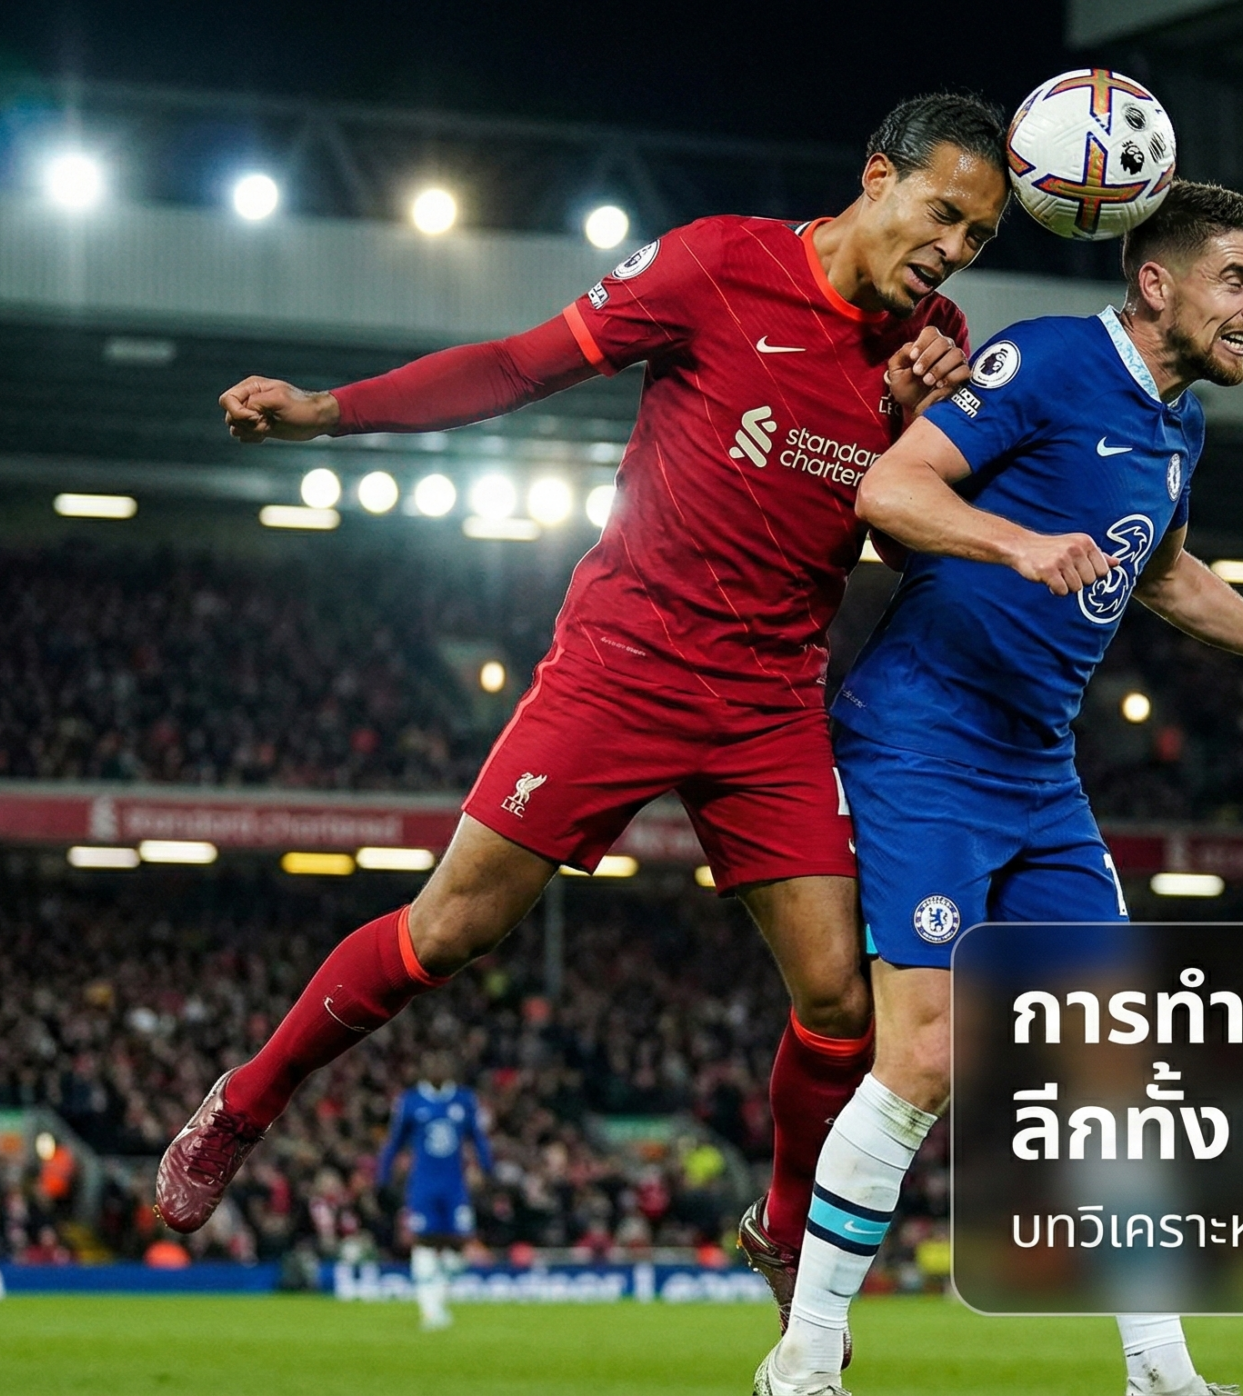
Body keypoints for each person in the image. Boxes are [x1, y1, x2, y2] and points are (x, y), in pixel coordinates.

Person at [156, 94, 1012, 1362]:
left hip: (771, 697)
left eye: (981, 237)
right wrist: (329, 412)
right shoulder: (719, 264)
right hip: (622, 665)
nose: (954, 250)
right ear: (877, 178)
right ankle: (244, 1100)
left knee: (840, 999)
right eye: (944, 213)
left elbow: (898, 533)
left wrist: (914, 429)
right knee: (450, 927)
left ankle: (779, 1228)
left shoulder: (934, 343)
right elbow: (518, 364)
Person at [756, 182, 1243, 1396]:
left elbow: (1163, 577)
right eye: (1239, 279)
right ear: (1156, 282)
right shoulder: (1044, 362)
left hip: (1037, 768)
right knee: (928, 1058)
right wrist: (1016, 544)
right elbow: (888, 490)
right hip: (922, 745)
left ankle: (1158, 1366)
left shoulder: (1177, 426)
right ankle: (805, 1361)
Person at [377, 1053, 494, 1331]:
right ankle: (431, 1312)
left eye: (442, 1063)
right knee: (424, 1243)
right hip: (424, 1185)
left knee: (459, 1247)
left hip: (455, 1185)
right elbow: (395, 1142)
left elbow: (477, 1137)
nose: (438, 1066)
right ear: (422, 1070)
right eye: (432, 1063)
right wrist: (383, 1174)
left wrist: (488, 1168)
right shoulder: (411, 1101)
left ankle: (438, 1301)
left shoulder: (464, 1100)